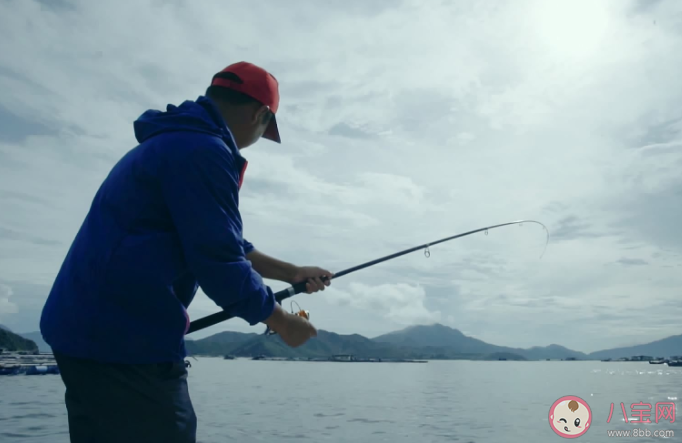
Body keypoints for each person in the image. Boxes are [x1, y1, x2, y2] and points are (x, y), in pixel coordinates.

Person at [39, 61, 332, 443]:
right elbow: (218, 260)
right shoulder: (203, 151)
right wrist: (281, 321)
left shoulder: (177, 141)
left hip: (90, 331)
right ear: (261, 114)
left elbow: (220, 240)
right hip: (122, 339)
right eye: (265, 129)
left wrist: (291, 272)